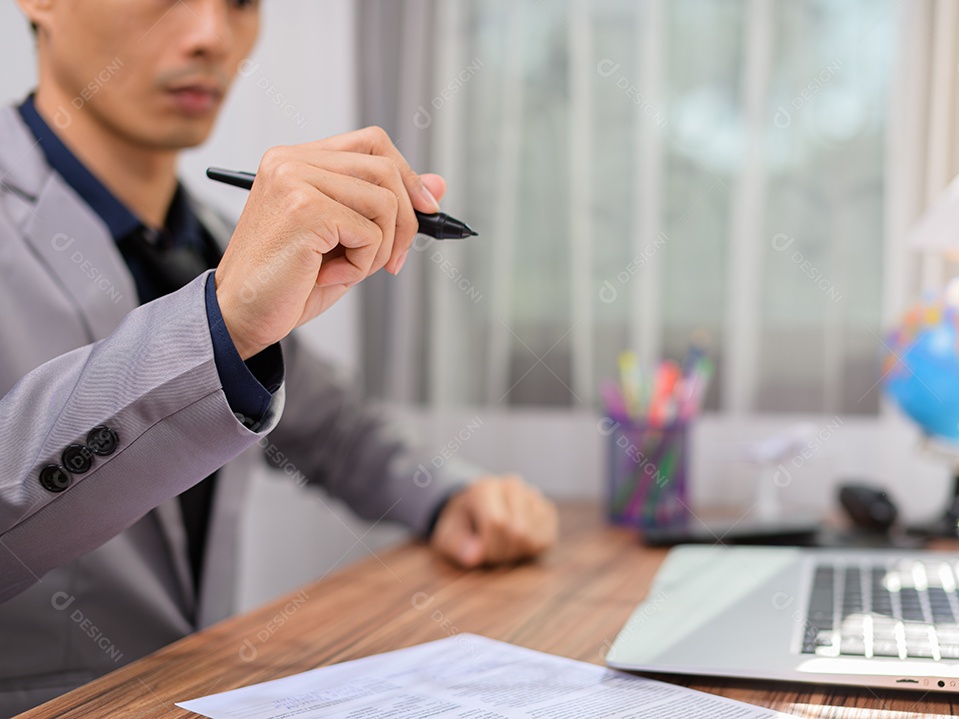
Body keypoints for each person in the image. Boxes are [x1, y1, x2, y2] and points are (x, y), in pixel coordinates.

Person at [0, 0, 557, 714]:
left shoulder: (212, 239)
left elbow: (333, 431)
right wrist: (219, 323)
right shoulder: (231, 278)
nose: (211, 37)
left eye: (239, 2)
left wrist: (449, 496)